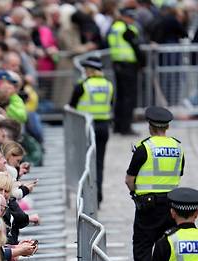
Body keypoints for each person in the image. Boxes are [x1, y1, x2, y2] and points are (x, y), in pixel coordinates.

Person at [124, 107, 184, 261]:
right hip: (172, 207)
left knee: (142, 252)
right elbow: (179, 173)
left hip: (147, 208)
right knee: (167, 251)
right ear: (167, 126)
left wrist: (135, 195)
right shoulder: (178, 147)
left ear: (150, 126)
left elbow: (129, 179)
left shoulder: (144, 148)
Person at [69, 56, 113, 204]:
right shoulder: (108, 85)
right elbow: (111, 103)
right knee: (99, 163)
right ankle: (98, 197)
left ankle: (86, 198)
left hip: (86, 127)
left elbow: (71, 106)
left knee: (84, 163)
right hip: (103, 127)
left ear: (88, 71)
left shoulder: (83, 85)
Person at [107, 8, 142, 135]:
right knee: (129, 97)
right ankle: (126, 127)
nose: (132, 21)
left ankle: (117, 126)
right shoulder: (127, 29)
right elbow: (136, 47)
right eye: (131, 18)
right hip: (128, 65)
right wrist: (142, 62)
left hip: (117, 63)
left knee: (121, 97)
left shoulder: (114, 27)